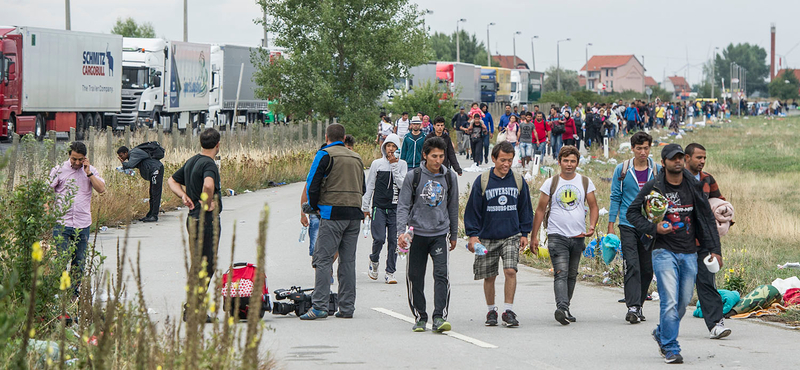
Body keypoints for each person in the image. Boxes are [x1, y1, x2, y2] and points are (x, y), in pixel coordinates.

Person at [626, 144, 721, 364]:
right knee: (669, 300)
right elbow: (632, 212)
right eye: (673, 158)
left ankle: (661, 333)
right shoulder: (655, 186)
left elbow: (706, 219)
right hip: (663, 250)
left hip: (690, 252)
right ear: (664, 162)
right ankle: (671, 347)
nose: (677, 161)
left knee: (683, 301)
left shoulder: (694, 186)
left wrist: (715, 250)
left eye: (680, 158)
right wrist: (654, 228)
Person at [300, 124, 366, 320]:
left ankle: (319, 306)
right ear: (344, 138)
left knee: (322, 259)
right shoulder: (356, 157)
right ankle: (346, 308)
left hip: (331, 213)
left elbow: (312, 184)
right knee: (348, 261)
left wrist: (314, 207)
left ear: (327, 136)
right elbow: (361, 187)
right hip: (354, 214)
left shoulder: (324, 154)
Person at [464, 142, 533, 327]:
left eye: (510, 160)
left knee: (510, 270)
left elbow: (525, 208)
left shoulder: (518, 181)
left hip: (511, 234)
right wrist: (473, 235)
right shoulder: (483, 180)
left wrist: (525, 232)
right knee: (489, 276)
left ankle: (508, 310)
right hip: (487, 236)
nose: (506, 164)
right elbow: (473, 210)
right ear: (494, 158)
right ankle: (491, 311)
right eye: (502, 160)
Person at [530, 145, 599, 325]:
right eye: (566, 161)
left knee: (572, 274)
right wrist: (534, 236)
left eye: (573, 161)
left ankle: (565, 307)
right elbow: (539, 210)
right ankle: (561, 307)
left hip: (578, 236)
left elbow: (593, 206)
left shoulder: (585, 182)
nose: (569, 164)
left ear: (577, 162)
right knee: (561, 272)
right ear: (559, 162)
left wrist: (592, 225)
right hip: (556, 235)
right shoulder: (551, 183)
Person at [397, 137, 459, 333]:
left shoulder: (449, 177)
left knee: (441, 275)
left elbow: (453, 206)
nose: (438, 160)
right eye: (434, 156)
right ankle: (420, 316)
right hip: (416, 235)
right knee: (415, 276)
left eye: (441, 156)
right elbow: (403, 206)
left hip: (439, 234)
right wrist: (401, 232)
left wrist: (454, 234)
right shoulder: (413, 176)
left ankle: (439, 316)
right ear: (424, 155)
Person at [608, 132, 661, 324]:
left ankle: (638, 305)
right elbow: (615, 197)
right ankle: (632, 307)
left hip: (648, 225)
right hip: (628, 223)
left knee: (647, 268)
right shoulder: (622, 170)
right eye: (639, 148)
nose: (642, 152)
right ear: (632, 149)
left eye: (646, 148)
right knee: (632, 264)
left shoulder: (657, 170)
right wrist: (611, 225)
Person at [684, 143, 731, 339]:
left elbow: (718, 202)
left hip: (703, 242)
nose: (702, 161)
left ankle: (716, 324)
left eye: (704, 158)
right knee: (680, 289)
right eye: (698, 158)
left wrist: (724, 214)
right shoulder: (675, 179)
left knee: (707, 283)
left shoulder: (707, 179)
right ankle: (667, 327)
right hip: (679, 242)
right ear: (687, 158)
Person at [51, 142, 106, 298]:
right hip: (62, 223)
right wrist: (48, 214)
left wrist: (88, 173)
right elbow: (47, 192)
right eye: (74, 159)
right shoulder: (59, 170)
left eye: (80, 160)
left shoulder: (90, 171)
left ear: (85, 159)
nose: (76, 163)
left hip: (82, 224)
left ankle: (73, 295)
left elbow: (101, 189)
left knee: (79, 261)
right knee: (61, 261)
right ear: (69, 155)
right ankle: (62, 294)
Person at [363, 134, 407, 284]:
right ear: (384, 147)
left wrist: (394, 166)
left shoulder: (402, 164)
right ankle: (374, 259)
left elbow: (403, 185)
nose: (391, 149)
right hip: (379, 207)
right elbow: (370, 185)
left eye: (394, 147)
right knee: (380, 238)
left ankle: (390, 272)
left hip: (396, 209)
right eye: (388, 146)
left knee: (394, 242)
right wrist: (365, 206)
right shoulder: (377, 164)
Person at [117, 143, 164, 222]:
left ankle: (154, 216)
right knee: (152, 193)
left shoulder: (134, 153)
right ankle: (150, 214)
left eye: (122, 156)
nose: (121, 158)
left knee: (155, 193)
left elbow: (130, 165)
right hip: (154, 170)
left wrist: (123, 163)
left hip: (156, 170)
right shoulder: (133, 155)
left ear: (126, 152)